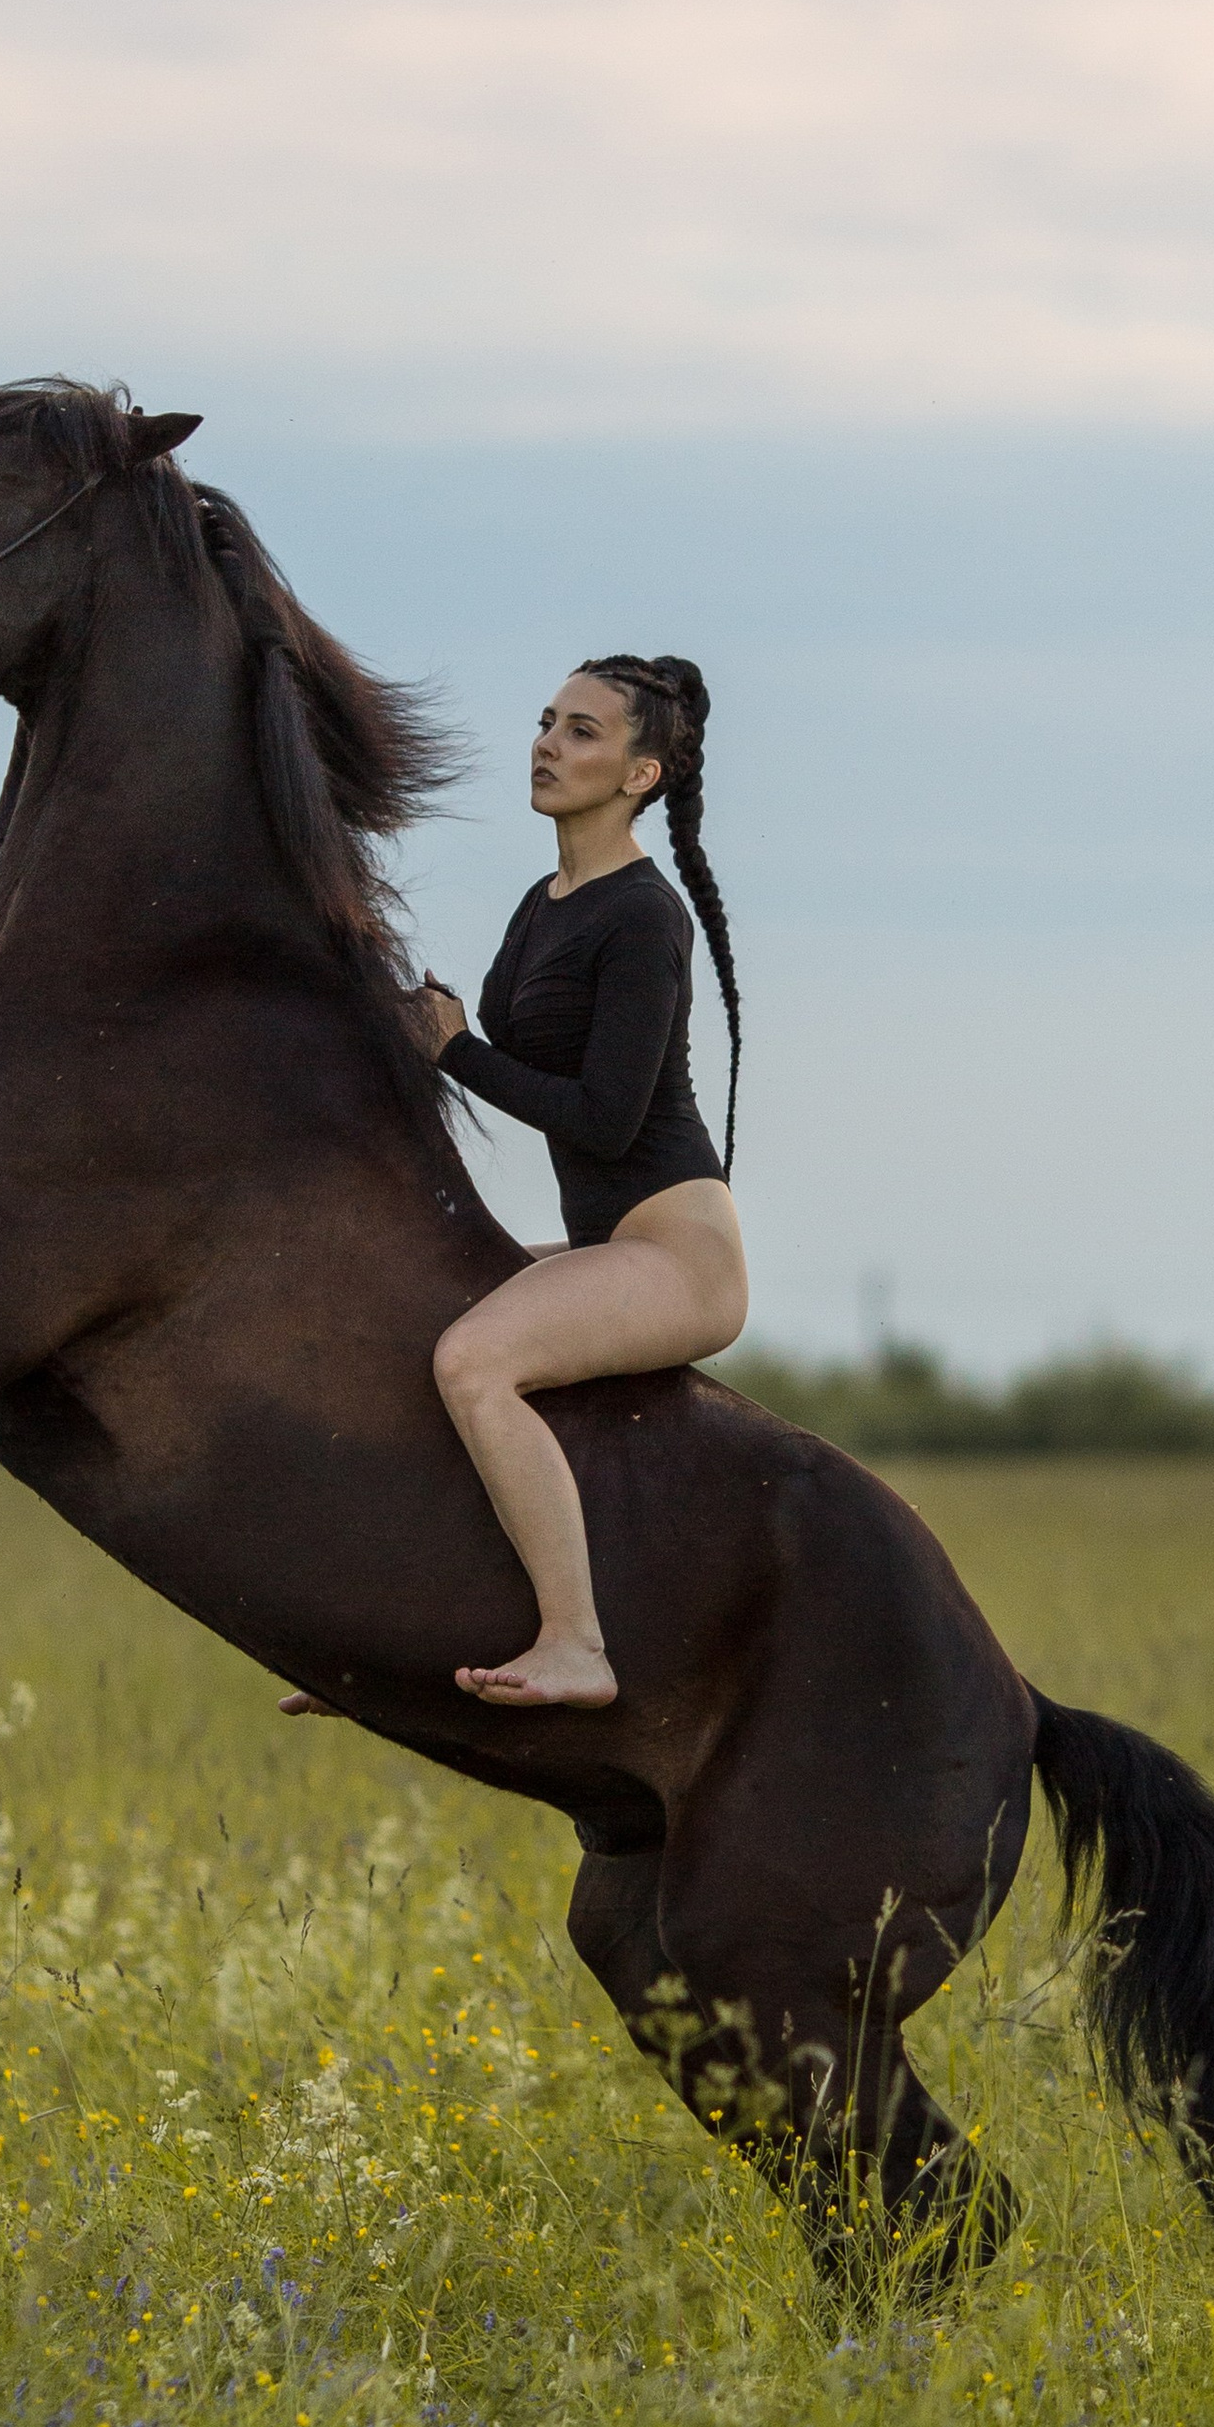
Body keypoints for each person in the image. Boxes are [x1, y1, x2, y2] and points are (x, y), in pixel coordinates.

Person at [330, 655, 746, 1712]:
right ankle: (419, 1630)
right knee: (417, 1326)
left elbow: (604, 1119)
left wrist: (455, 1052)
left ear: (640, 774)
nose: (549, 746)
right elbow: (493, 1049)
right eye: (547, 722)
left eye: (583, 733)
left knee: (474, 1358)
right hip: (612, 1244)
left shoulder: (645, 918)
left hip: (676, 1256)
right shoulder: (545, 900)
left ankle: (577, 1644)